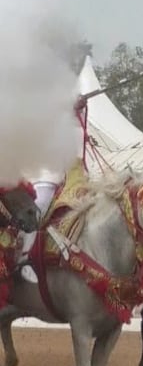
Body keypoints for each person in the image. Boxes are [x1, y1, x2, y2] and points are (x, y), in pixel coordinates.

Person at [17, 94, 88, 283]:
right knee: (38, 207)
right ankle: (24, 260)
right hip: (41, 173)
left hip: (71, 173)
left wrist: (74, 110)